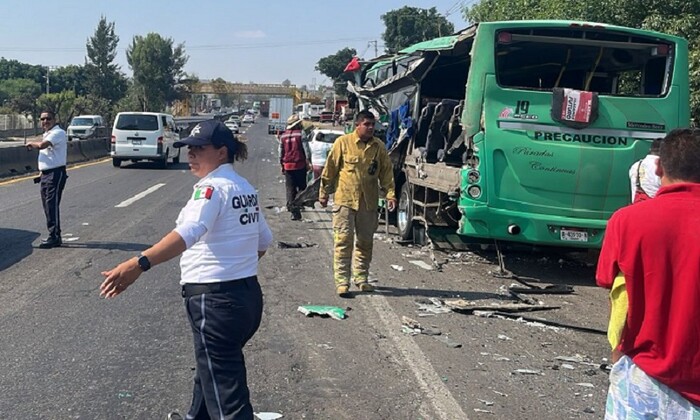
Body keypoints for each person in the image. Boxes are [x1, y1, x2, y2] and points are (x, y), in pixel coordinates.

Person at [100, 120, 273, 420]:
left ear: (221, 153)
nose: (190, 155)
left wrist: (138, 264)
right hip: (246, 298)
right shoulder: (244, 188)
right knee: (211, 371)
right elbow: (263, 241)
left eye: (199, 149)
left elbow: (188, 233)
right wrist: (235, 264)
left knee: (229, 401)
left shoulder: (210, 189)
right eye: (188, 149)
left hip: (215, 303)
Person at [596, 128, 700, 418]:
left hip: (644, 377)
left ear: (658, 166)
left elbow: (614, 290)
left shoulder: (626, 221)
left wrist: (617, 350)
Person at [319, 110, 396, 297]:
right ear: (357, 125)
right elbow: (329, 170)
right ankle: (342, 281)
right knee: (343, 242)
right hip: (345, 202)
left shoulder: (379, 147)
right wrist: (323, 193)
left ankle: (361, 278)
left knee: (365, 242)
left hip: (368, 204)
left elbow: (386, 173)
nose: (371, 128)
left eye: (372, 125)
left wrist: (390, 194)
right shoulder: (342, 143)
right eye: (367, 124)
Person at [26, 110, 68, 248]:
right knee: (47, 205)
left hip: (55, 174)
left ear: (54, 119)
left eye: (48, 118)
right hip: (46, 174)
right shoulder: (48, 133)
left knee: (51, 205)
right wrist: (41, 173)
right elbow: (48, 157)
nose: (45, 121)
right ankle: (54, 234)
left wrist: (32, 144)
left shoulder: (58, 133)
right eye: (42, 119)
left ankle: (54, 236)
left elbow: (43, 146)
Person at [278, 114, 311, 220]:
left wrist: (281, 164)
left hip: (287, 166)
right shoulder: (301, 134)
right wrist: (308, 161)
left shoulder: (283, 136)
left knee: (290, 188)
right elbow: (306, 150)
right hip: (300, 165)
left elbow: (280, 152)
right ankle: (297, 206)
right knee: (302, 187)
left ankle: (291, 207)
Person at [628, 137, 662, 203]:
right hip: (655, 207)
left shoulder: (635, 166)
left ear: (650, 149)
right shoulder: (663, 167)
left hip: (637, 207)